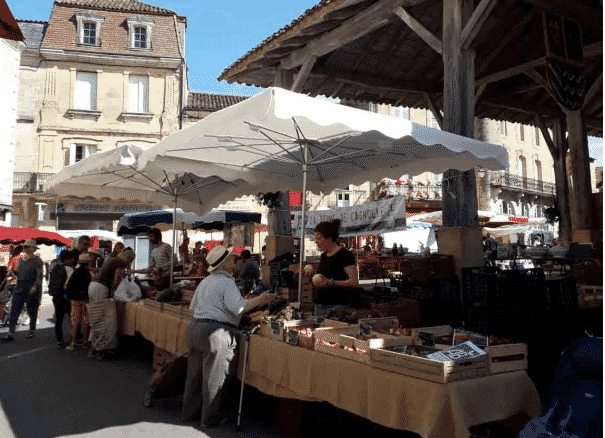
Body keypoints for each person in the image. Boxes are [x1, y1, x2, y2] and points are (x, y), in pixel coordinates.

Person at [181, 245, 274, 429]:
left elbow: (193, 308)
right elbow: (239, 308)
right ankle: (209, 419)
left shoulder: (206, 281)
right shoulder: (226, 282)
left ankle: (189, 414)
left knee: (193, 375)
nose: (235, 260)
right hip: (215, 331)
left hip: (195, 328)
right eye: (231, 258)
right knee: (214, 378)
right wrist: (263, 299)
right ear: (224, 265)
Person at [304, 219, 359, 316]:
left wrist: (331, 282)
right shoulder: (324, 256)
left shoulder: (345, 255)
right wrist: (311, 274)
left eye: (318, 238)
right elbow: (321, 280)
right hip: (321, 305)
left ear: (328, 238)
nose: (316, 241)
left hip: (339, 307)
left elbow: (354, 282)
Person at [87, 248, 136, 360]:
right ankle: (100, 349)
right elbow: (115, 282)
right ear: (128, 258)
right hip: (101, 288)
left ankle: (94, 348)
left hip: (93, 286)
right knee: (105, 320)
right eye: (131, 260)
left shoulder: (112, 259)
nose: (130, 263)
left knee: (96, 318)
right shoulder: (120, 262)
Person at [0, 239, 43, 342]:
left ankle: (31, 330)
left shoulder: (38, 261)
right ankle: (10, 333)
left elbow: (39, 275)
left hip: (31, 287)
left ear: (33, 248)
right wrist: (13, 273)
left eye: (27, 247)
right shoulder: (21, 260)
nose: (25, 249)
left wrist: (35, 286)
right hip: (20, 287)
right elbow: (19, 273)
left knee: (32, 310)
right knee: (14, 310)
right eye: (24, 247)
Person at [65, 252, 94, 350]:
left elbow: (66, 285)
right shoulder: (89, 273)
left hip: (74, 300)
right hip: (86, 299)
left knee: (75, 321)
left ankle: (73, 343)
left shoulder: (73, 272)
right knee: (86, 321)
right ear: (87, 263)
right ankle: (85, 342)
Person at [48, 249, 75, 348]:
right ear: (68, 259)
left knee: (59, 320)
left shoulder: (55, 268)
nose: (73, 260)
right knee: (72, 319)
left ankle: (59, 340)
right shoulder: (70, 270)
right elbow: (70, 285)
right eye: (71, 258)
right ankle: (72, 339)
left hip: (56, 297)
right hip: (66, 297)